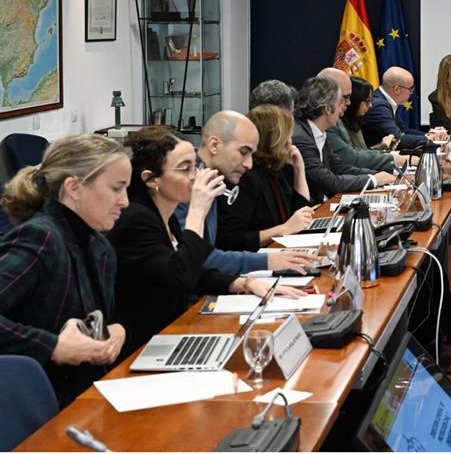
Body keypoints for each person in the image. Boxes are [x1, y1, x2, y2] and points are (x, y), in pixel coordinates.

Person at [110, 127, 301, 360]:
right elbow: (181, 275)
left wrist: (242, 283)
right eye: (185, 169)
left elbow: (196, 268)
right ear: (151, 179)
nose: (196, 176)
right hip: (140, 345)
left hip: (170, 334)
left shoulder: (165, 215)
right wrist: (197, 211)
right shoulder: (137, 219)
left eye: (195, 166)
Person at [0, 135, 128, 406]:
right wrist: (52, 346)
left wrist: (117, 329)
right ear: (74, 188)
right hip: (41, 404)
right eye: (116, 188)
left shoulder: (98, 243)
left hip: (87, 395)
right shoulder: (40, 237)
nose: (125, 201)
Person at [177, 111, 316, 276]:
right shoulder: (187, 185)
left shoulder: (210, 180)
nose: (249, 164)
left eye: (251, 154)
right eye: (243, 152)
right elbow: (197, 258)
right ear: (214, 145)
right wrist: (267, 261)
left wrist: (241, 283)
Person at [217, 104, 316, 251]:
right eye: (287, 137)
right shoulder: (246, 177)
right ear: (273, 139)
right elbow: (231, 240)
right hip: (255, 258)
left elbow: (301, 216)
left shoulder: (276, 169)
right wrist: (283, 229)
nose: (290, 142)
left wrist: (299, 169)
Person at [294, 76, 397, 201]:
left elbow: (340, 168)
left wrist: (377, 175)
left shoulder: (318, 132)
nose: (348, 104)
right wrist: (374, 180)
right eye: (341, 102)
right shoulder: (301, 138)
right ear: (327, 108)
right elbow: (329, 182)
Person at [319, 68, 405, 175]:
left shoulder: (349, 122)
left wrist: (376, 176)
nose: (348, 103)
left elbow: (356, 154)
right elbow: (350, 159)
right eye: (346, 97)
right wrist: (392, 160)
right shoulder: (331, 124)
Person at [363, 67, 440, 149]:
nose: (411, 93)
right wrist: (431, 139)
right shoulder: (379, 106)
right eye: (410, 89)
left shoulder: (385, 101)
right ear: (397, 90)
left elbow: (404, 131)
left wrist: (430, 135)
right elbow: (398, 139)